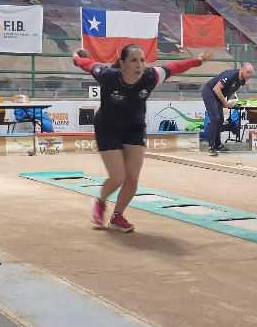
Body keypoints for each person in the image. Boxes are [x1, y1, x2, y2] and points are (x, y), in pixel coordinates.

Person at [72, 45, 210, 232]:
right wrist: (76, 59)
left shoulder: (151, 76)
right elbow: (88, 64)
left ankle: (117, 216)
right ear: (122, 63)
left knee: (132, 178)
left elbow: (176, 67)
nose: (140, 65)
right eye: (134, 60)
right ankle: (101, 202)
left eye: (143, 60)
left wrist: (198, 61)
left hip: (134, 128)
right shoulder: (108, 75)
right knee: (118, 177)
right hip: (108, 128)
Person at [202, 64, 254, 156]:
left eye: (251, 73)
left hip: (218, 95)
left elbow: (230, 91)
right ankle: (211, 147)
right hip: (210, 92)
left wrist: (228, 102)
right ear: (242, 69)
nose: (249, 75)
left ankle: (218, 145)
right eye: (248, 72)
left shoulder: (241, 80)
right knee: (216, 118)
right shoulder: (230, 75)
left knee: (220, 119)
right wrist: (225, 104)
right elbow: (216, 89)